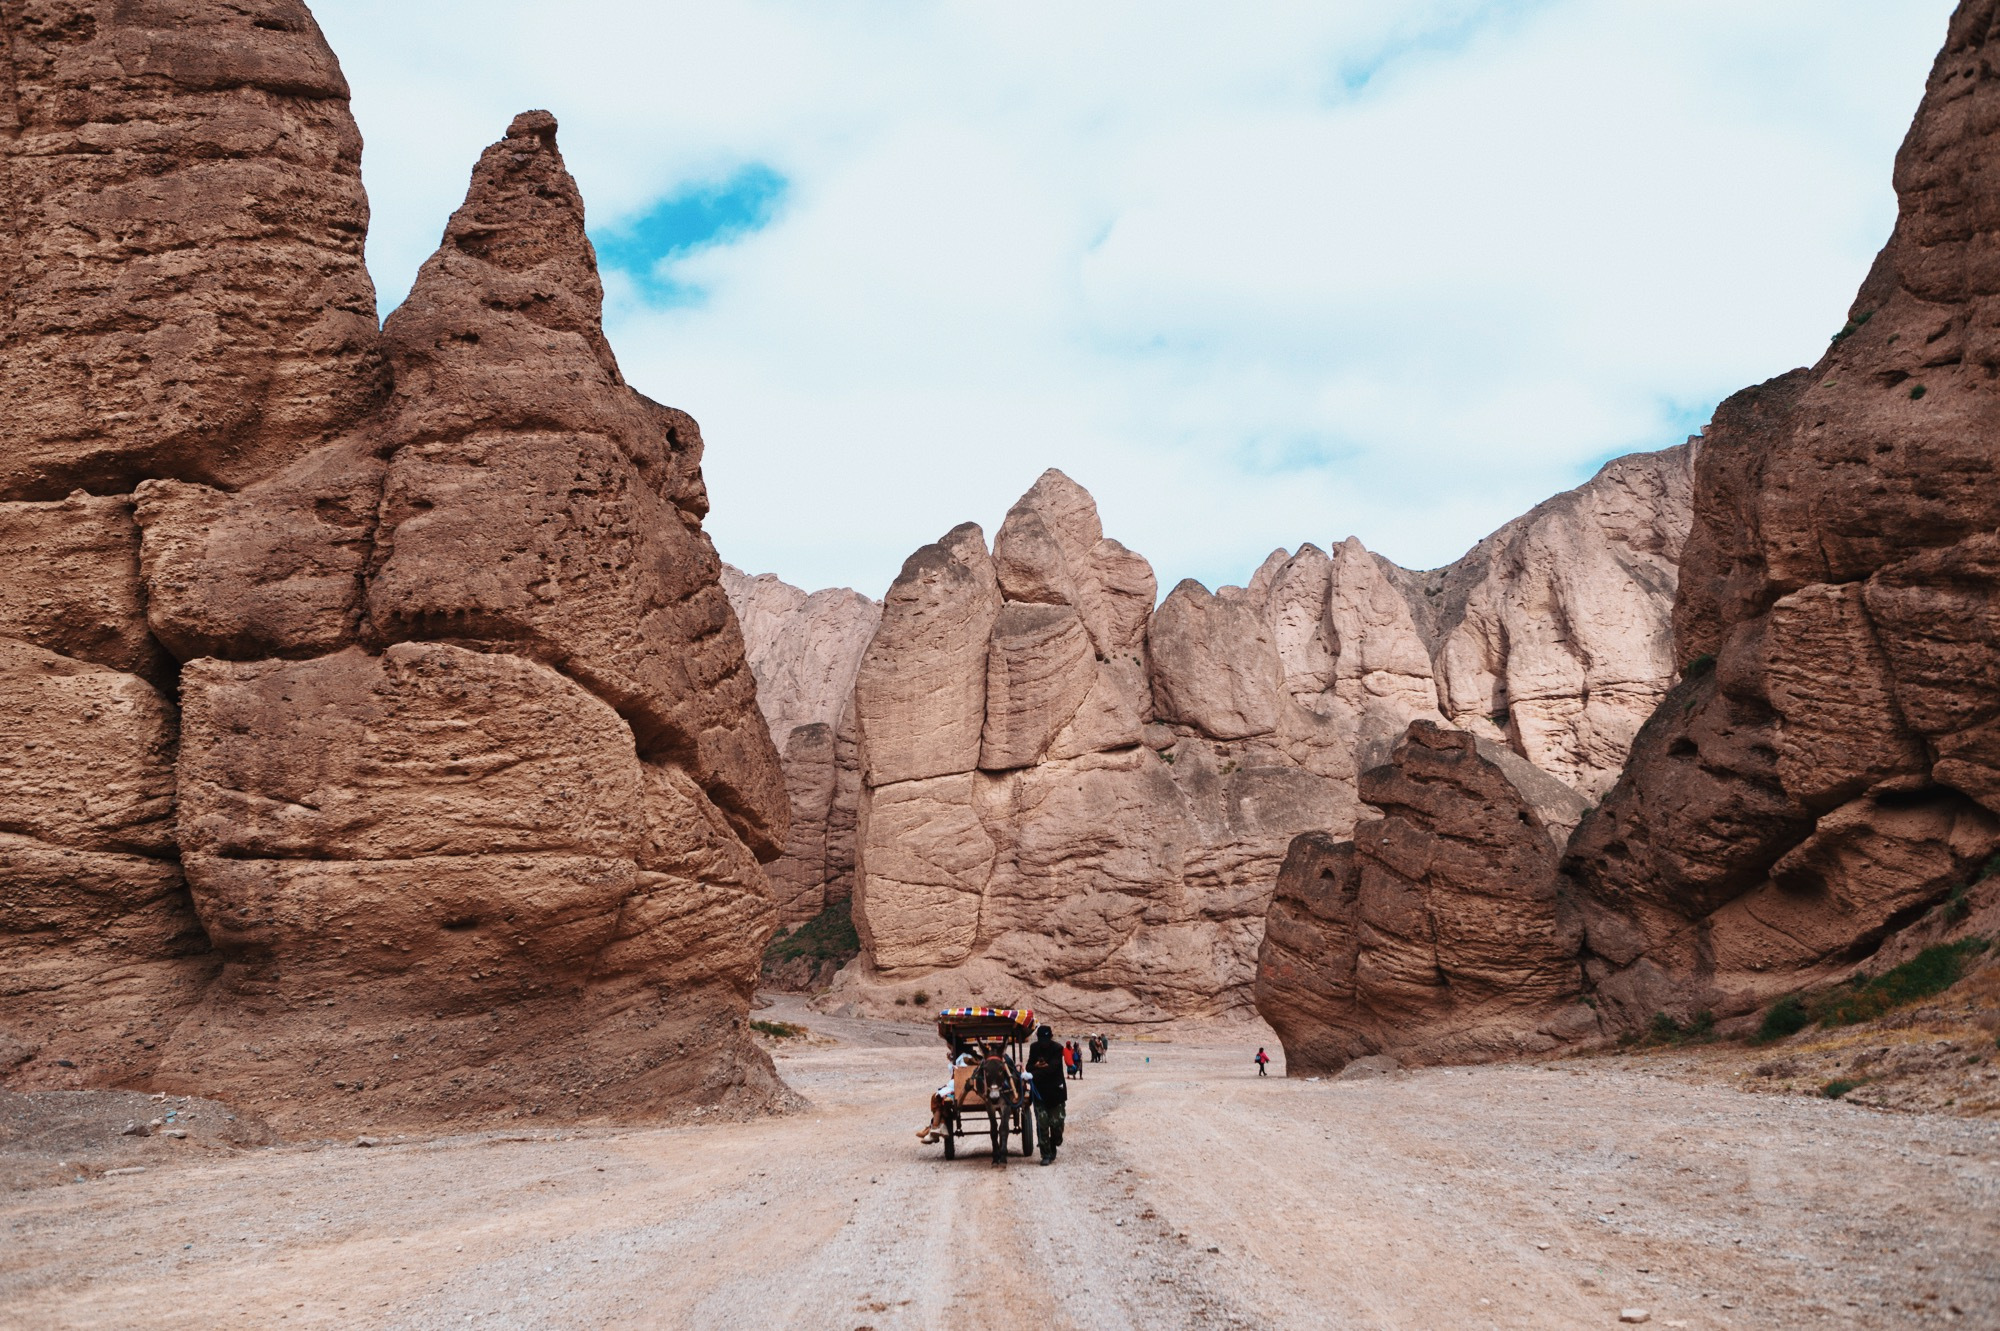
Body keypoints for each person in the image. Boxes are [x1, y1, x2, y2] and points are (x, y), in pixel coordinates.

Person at [1024, 1024, 1068, 1166]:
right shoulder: (1034, 1048)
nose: (1044, 1043)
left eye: (1046, 1039)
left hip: (1056, 1093)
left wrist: (1033, 1073)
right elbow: (1028, 1066)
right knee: (1042, 1124)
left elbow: (1053, 1068)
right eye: (1041, 1039)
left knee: (1057, 1125)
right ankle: (1046, 1154)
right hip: (1040, 1093)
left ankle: (1055, 1141)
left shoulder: (1057, 1048)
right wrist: (1035, 1066)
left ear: (1051, 1037)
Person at [917, 1041, 977, 1142]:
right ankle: (937, 1127)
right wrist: (952, 1061)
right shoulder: (964, 1057)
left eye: (951, 1048)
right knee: (940, 1097)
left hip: (960, 1087)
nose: (950, 1051)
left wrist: (953, 1062)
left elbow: (962, 1073)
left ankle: (934, 1128)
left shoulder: (964, 1057)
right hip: (959, 1085)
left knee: (936, 1097)